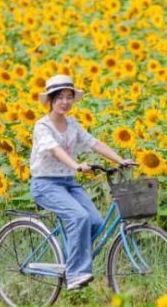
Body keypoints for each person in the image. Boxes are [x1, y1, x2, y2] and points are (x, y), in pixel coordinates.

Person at [29, 75, 135, 290]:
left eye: (69, 97)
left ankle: (72, 261)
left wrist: (120, 160)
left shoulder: (72, 124)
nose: (65, 102)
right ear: (50, 100)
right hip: (45, 184)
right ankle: (76, 273)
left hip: (68, 183)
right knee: (78, 217)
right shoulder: (42, 126)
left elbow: (93, 143)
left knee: (95, 222)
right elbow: (55, 150)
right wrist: (76, 165)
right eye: (60, 97)